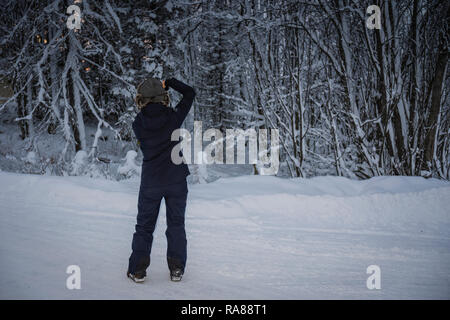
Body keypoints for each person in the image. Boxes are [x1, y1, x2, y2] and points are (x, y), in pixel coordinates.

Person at [127, 77, 196, 283]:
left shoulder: (138, 123)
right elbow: (190, 93)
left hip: (151, 182)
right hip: (176, 180)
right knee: (176, 225)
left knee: (144, 227)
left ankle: (138, 270)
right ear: (162, 96)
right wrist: (170, 82)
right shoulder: (174, 117)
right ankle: (176, 269)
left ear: (142, 99)